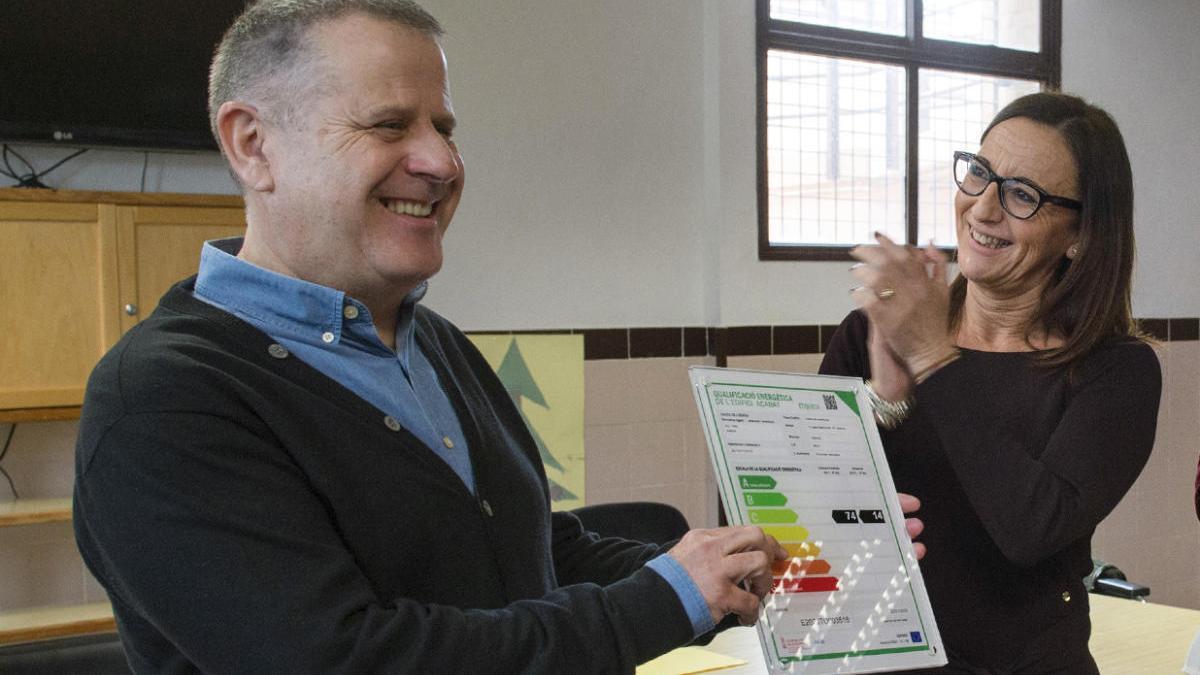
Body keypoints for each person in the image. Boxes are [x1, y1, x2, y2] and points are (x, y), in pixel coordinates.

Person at [71, 1, 924, 672]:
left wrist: (724, 567)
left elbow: (535, 548)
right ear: (252, 145)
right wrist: (668, 597)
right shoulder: (161, 399)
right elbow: (346, 658)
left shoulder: (431, 342)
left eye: (443, 127)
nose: (439, 162)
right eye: (388, 125)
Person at [820, 91, 1160, 672]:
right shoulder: (873, 333)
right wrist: (882, 404)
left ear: (1080, 235)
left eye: (1022, 195)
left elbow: (1031, 528)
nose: (982, 208)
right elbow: (788, 509)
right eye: (979, 173)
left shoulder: (1116, 370)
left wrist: (931, 356)